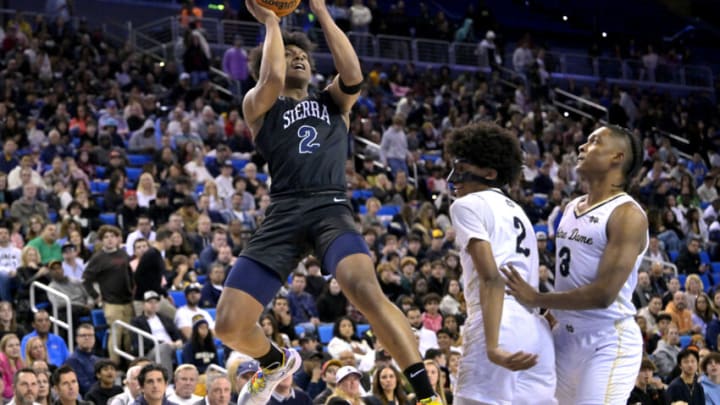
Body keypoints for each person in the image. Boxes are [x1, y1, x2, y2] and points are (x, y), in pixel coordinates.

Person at [214, 2, 440, 405]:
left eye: (303, 54)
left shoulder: (332, 102)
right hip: (283, 213)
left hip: (330, 208)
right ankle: (273, 361)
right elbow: (271, 78)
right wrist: (271, 21)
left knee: (365, 290)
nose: (298, 57)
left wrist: (320, 11)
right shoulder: (258, 104)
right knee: (229, 326)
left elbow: (352, 74)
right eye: (289, 53)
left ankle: (426, 395)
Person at [504, 125, 647, 403]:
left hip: (606, 340)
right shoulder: (572, 207)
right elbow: (570, 277)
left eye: (594, 142)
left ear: (617, 157)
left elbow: (603, 294)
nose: (582, 146)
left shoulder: (627, 214)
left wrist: (537, 298)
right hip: (564, 336)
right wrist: (544, 321)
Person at [444, 122, 556, 404]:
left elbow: (491, 278)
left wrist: (492, 346)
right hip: (535, 330)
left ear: (490, 173)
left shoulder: (466, 205)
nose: (454, 179)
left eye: (461, 169)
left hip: (496, 321)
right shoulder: (519, 212)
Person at [63, 324, 98, 396]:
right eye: (83, 335)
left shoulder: (97, 359)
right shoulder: (72, 361)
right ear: (77, 339)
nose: (87, 338)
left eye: (90, 335)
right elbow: (84, 386)